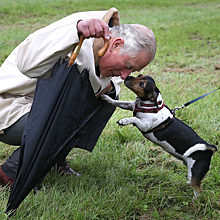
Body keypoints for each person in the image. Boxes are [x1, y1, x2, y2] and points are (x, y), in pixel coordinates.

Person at [0, 8, 156, 187]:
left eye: (132, 71)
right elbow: (26, 64)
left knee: (106, 100)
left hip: (40, 107)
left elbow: (108, 83)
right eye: (127, 65)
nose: (124, 75)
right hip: (9, 105)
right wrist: (74, 31)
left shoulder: (107, 43)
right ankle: (10, 171)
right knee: (71, 109)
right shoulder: (80, 28)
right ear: (116, 44)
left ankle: (53, 159)